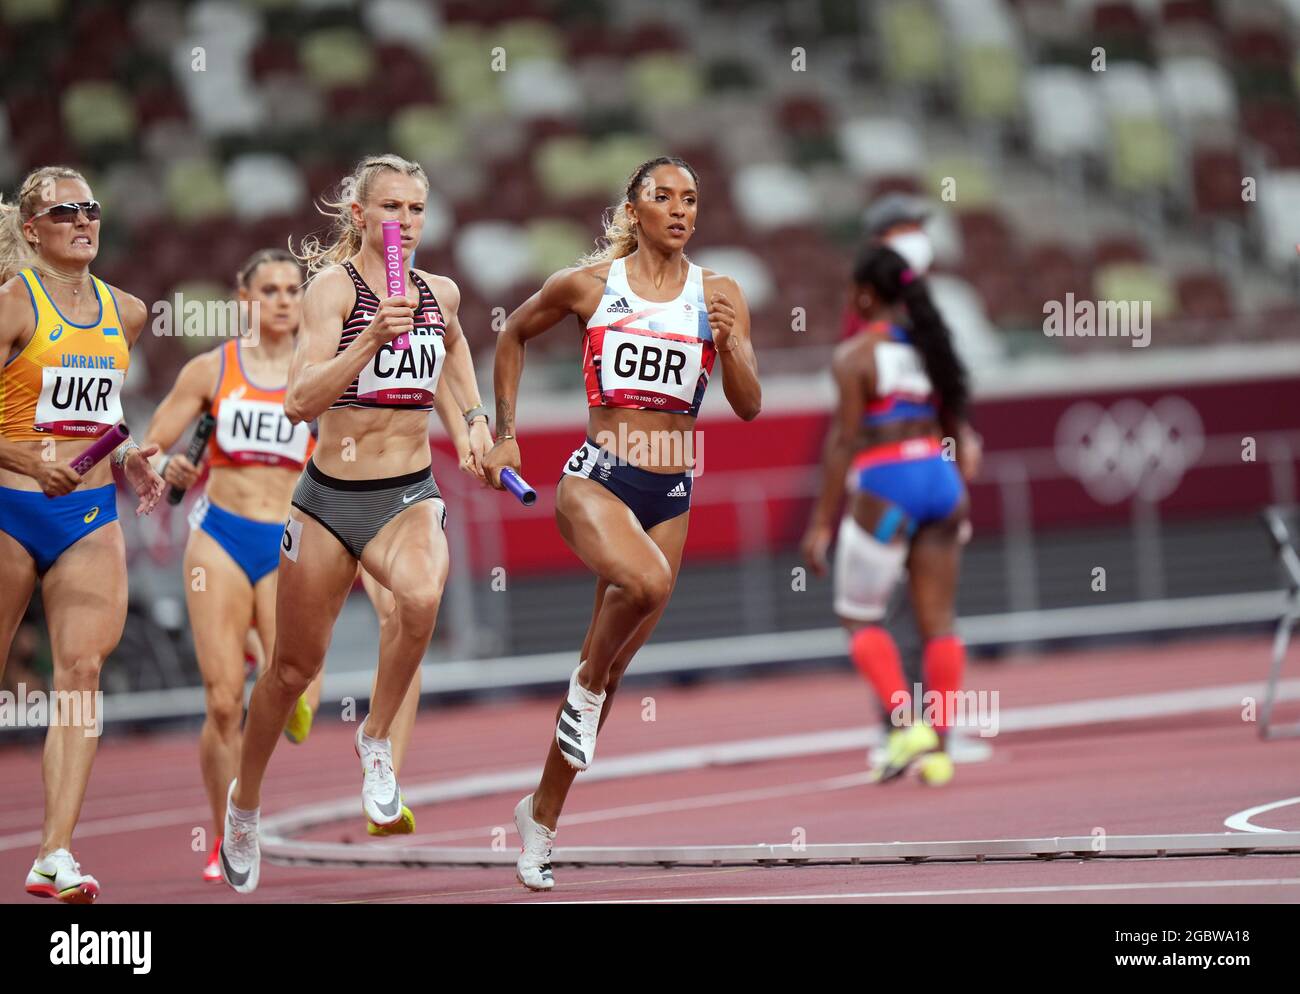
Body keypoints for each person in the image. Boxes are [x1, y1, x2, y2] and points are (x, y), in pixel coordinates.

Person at [485, 156, 761, 890]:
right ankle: (582, 685)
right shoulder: (590, 286)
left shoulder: (721, 293)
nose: (680, 209)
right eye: (663, 197)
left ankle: (538, 824)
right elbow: (510, 336)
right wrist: (504, 430)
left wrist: (730, 342)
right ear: (633, 210)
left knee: (613, 668)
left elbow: (749, 404)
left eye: (691, 199)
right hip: (597, 479)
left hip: (672, 492)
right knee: (643, 588)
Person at [218, 154, 491, 895]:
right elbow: (301, 401)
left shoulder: (441, 292)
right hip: (329, 498)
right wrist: (370, 339)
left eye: (416, 210)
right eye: (391, 208)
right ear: (361, 216)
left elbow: (457, 349)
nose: (405, 222)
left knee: (423, 596)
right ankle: (244, 805)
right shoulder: (333, 292)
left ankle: (375, 741)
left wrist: (471, 421)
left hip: (407, 493)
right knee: (292, 671)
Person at [0, 166, 165, 902]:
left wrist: (129, 458)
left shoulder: (126, 311)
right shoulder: (11, 304)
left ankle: (53, 853)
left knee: (81, 678)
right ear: (31, 228)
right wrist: (26, 458)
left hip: (89, 515)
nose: (82, 218)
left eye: (91, 207)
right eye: (63, 210)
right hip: (9, 505)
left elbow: (101, 411)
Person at [802, 243, 979, 787]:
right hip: (940, 479)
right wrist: (959, 495)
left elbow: (842, 442)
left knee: (859, 616)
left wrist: (820, 524)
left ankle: (904, 725)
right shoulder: (931, 348)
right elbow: (957, 431)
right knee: (939, 624)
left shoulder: (854, 356)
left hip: (886, 485)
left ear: (863, 295)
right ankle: (942, 751)